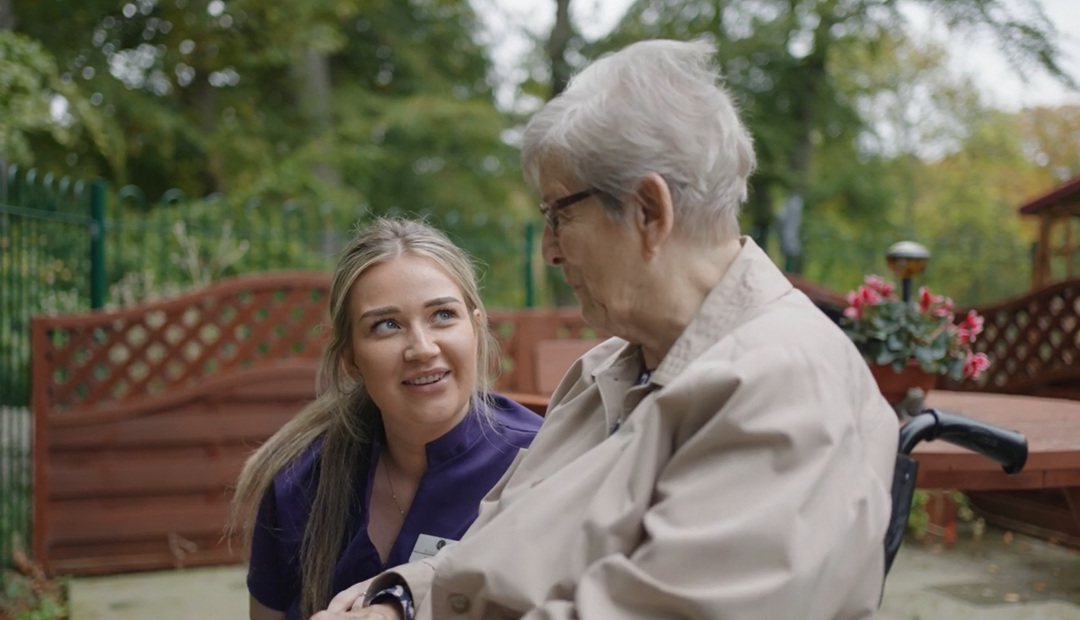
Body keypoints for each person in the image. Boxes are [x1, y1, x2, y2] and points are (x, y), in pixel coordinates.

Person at [317, 39, 898, 620]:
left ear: (649, 211)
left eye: (559, 214)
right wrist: (400, 600)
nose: (548, 250)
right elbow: (496, 546)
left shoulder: (781, 385)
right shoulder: (607, 369)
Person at [228, 218, 543, 620]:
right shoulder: (299, 481)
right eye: (386, 325)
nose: (422, 348)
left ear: (476, 328)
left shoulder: (541, 463)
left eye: (442, 315)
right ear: (352, 359)